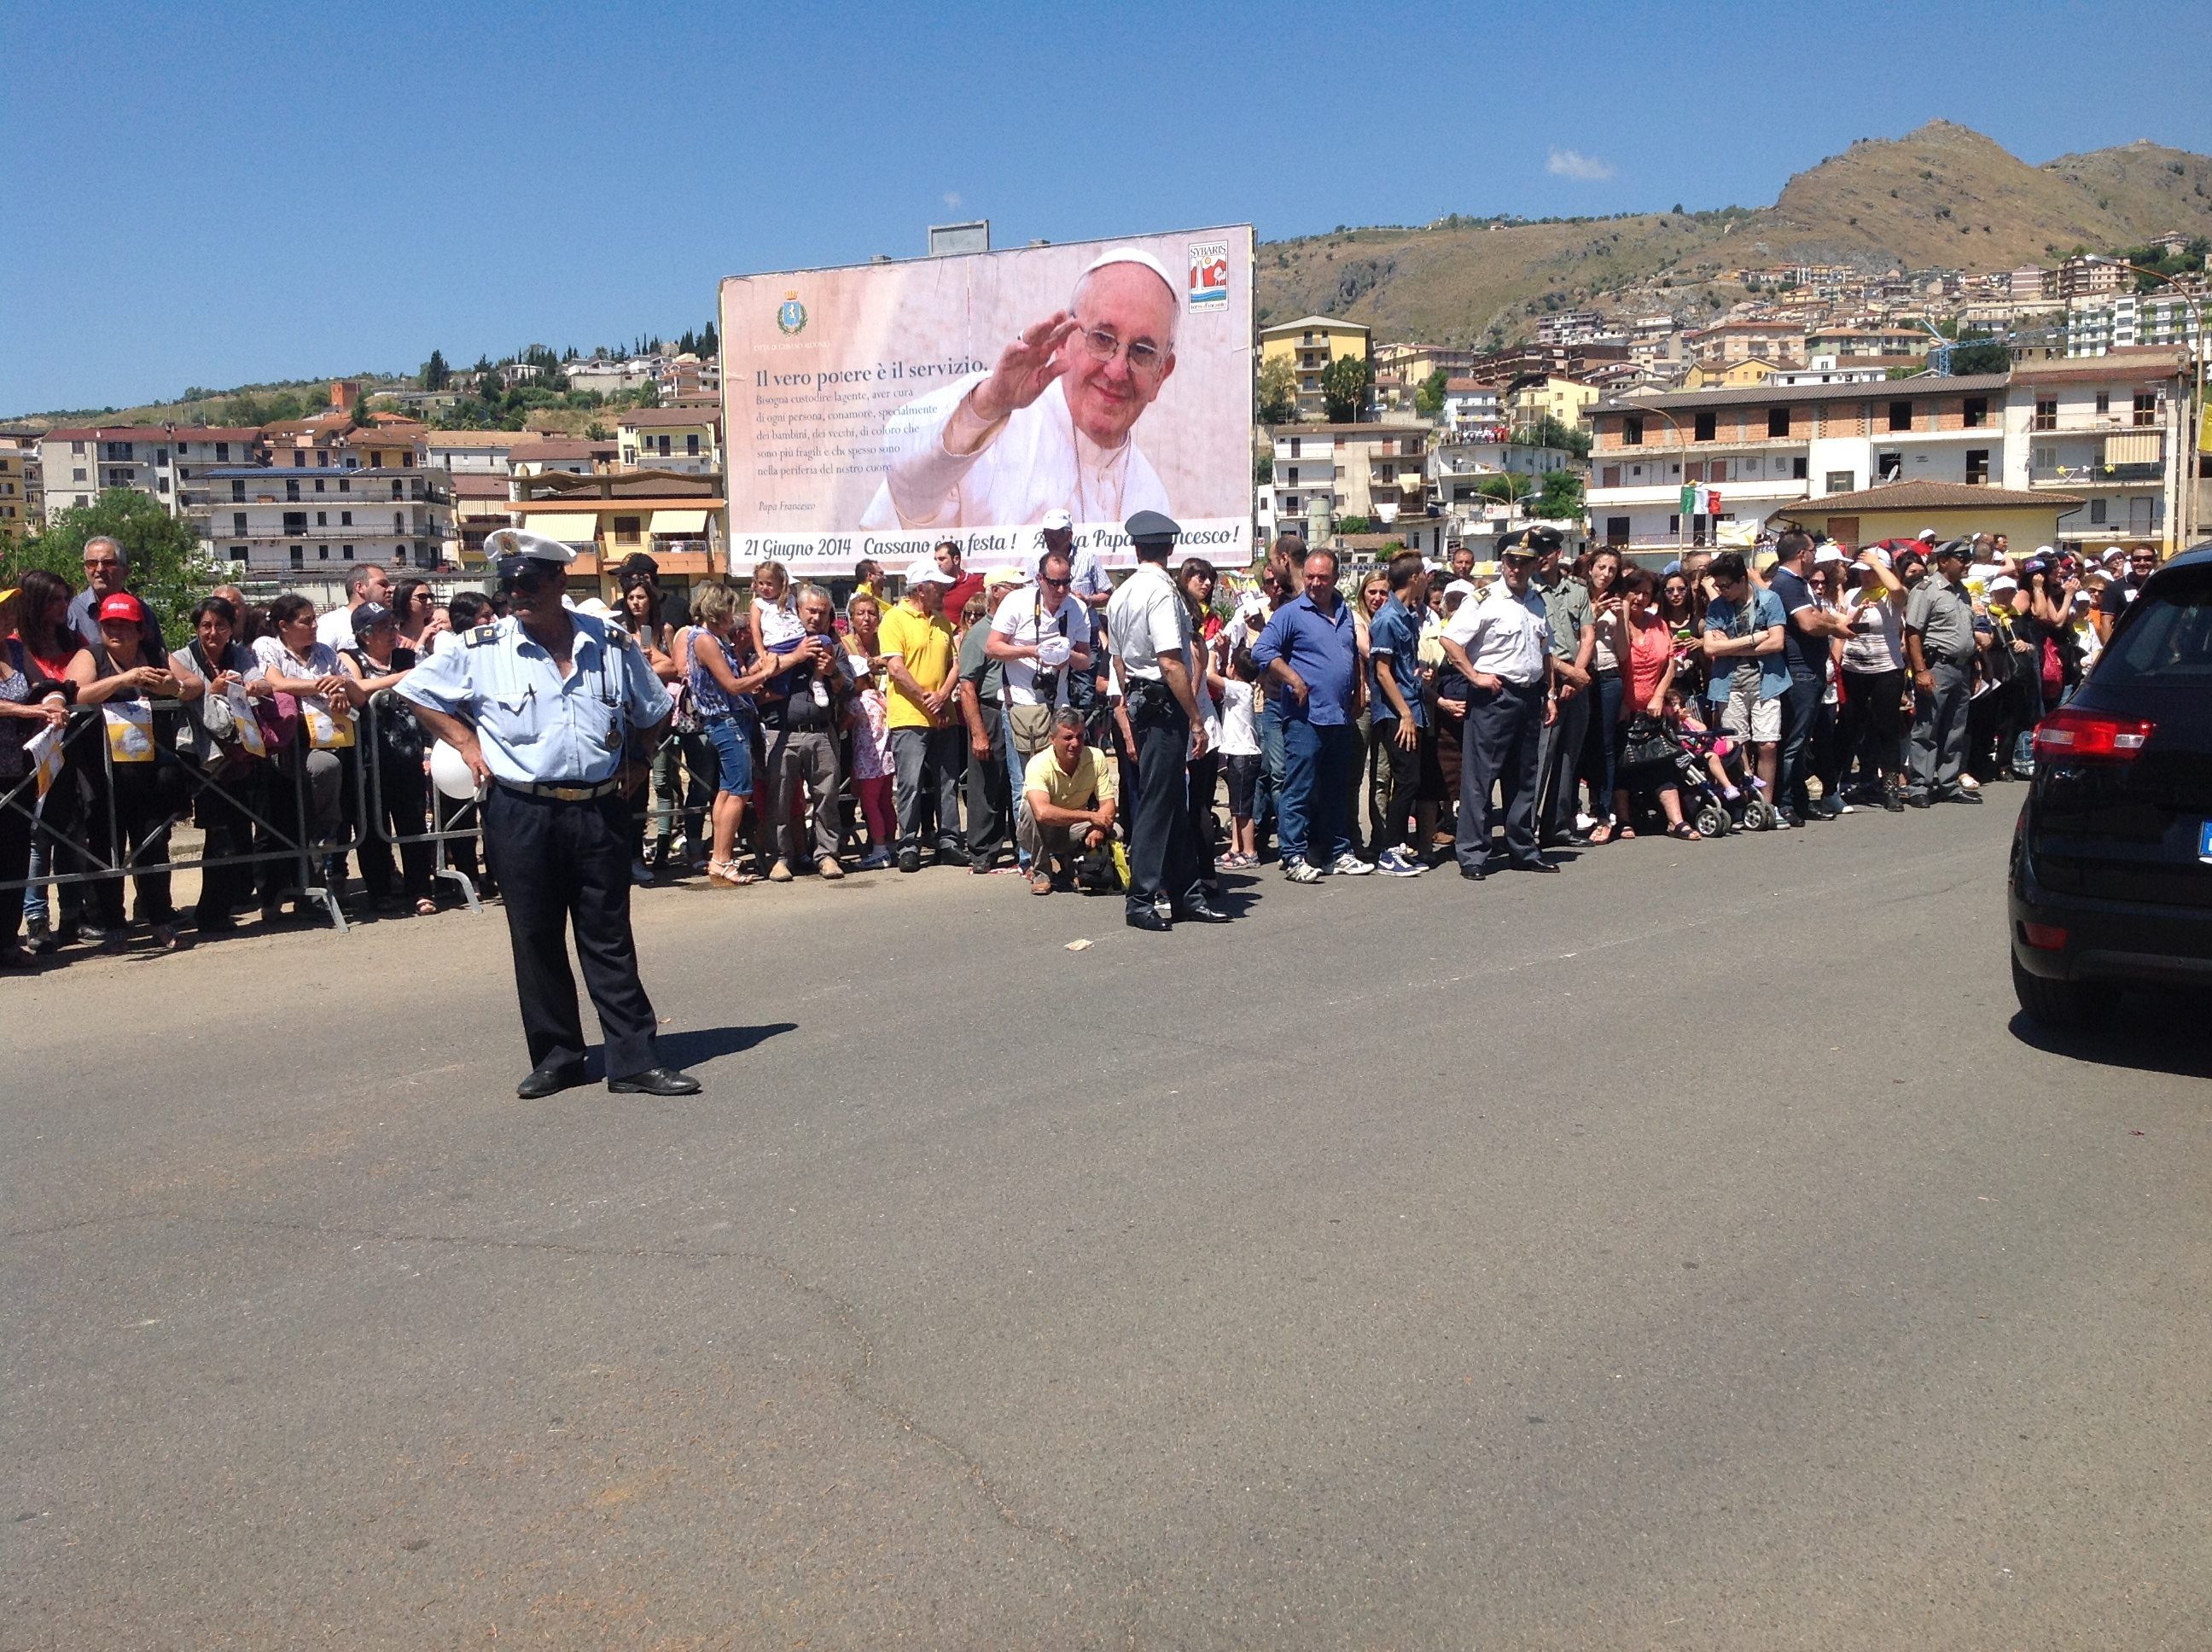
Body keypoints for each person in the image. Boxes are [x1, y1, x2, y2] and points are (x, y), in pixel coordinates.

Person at [396, 529, 698, 1100]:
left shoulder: (609, 642)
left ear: (561, 581)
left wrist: (638, 758)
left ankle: (633, 1058)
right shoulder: (482, 647)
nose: (517, 594)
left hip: (597, 807)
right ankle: (558, 1056)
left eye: (529, 582)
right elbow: (416, 691)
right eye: (508, 584)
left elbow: (654, 707)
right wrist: (463, 742)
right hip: (521, 809)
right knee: (535, 936)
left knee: (608, 936)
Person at [861, 248, 1179, 531]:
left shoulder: (1151, 496)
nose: (1116, 370)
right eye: (1102, 338)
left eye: (1142, 352)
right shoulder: (989, 414)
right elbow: (904, 477)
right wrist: (990, 403)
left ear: (1161, 376)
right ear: (1065, 340)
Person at [1104, 510, 1226, 929]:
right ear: (1170, 548)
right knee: (1159, 801)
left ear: (1136, 547)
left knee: (1173, 798)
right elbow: (1171, 661)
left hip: (1142, 699)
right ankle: (1140, 898)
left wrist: (1131, 707)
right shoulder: (1162, 593)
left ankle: (1186, 894)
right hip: (1163, 701)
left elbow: (1119, 663)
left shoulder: (1121, 594)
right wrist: (1195, 718)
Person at [67, 592, 192, 950]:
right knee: (105, 847)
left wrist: (173, 686)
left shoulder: (154, 656)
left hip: (149, 770)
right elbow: (75, 692)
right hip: (100, 771)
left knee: (153, 846)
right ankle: (112, 922)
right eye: (109, 625)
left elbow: (192, 684)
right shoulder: (90, 655)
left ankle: (160, 919)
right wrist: (122, 681)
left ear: (140, 630)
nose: (116, 631)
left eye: (124, 625)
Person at [1439, 534, 1556, 880]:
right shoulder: (1483, 599)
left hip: (1530, 695)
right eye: (1511, 561)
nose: (1517, 568)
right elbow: (1450, 640)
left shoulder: (1537, 601)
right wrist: (1475, 677)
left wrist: (1549, 694)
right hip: (1494, 695)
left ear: (1535, 565)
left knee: (1524, 777)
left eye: (1524, 562)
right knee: (1480, 778)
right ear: (1502, 563)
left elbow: (1545, 651)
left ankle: (1522, 847)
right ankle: (1474, 853)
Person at [166, 593, 278, 934]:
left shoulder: (240, 654)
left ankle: (217, 909)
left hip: (236, 754)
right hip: (197, 754)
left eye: (221, 626)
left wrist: (251, 684)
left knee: (233, 833)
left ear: (231, 629)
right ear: (197, 628)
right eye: (206, 625)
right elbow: (186, 692)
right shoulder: (180, 657)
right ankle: (209, 913)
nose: (213, 632)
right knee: (218, 833)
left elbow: (260, 680)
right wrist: (212, 691)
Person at [1253, 546, 1365, 885]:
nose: (1316, 583)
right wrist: (1293, 679)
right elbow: (1262, 650)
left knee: (1335, 789)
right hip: (1305, 718)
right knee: (1298, 787)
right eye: (1311, 577)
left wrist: (1358, 688)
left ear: (1335, 579)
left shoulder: (1344, 610)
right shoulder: (1292, 613)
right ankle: (1293, 856)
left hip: (1338, 716)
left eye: (1323, 578)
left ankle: (1338, 851)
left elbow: (1350, 654)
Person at [253, 592, 369, 903]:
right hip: (286, 742)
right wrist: (323, 684)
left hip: (329, 737)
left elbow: (352, 690)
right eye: (306, 621)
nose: (315, 626)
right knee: (316, 777)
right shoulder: (267, 646)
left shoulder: (325, 653)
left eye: (315, 619)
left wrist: (341, 689)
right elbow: (275, 683)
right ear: (284, 625)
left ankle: (324, 839)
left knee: (328, 770)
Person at [989, 542, 1096, 865]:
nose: (1061, 589)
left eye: (1067, 582)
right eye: (1054, 582)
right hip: (1020, 705)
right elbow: (993, 648)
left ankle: (1056, 851)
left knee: (1056, 783)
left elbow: (1085, 660)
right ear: (1040, 579)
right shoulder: (1017, 602)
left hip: (1057, 707)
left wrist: (1065, 656)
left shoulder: (1076, 609)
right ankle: (1030, 857)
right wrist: (1034, 651)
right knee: (1024, 783)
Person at [339, 602, 439, 916]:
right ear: (365, 635)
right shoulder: (349, 657)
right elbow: (355, 689)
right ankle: (379, 892)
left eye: (393, 625)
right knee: (371, 828)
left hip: (407, 754)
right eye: (384, 627)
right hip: (369, 757)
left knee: (412, 824)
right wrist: (401, 679)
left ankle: (420, 889)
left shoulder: (406, 656)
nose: (393, 632)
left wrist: (405, 673)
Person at [0, 586, 73, 968]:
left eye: (10, 610)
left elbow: (43, 684)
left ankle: (7, 941)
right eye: (1, 612)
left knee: (14, 853)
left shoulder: (14, 650)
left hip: (18, 770)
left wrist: (54, 703)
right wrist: (27, 713)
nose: (9, 617)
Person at [756, 583, 847, 881]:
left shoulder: (833, 642)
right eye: (811, 611)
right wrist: (795, 656)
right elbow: (758, 678)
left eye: (823, 612)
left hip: (822, 731)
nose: (816, 618)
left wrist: (833, 670)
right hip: (782, 732)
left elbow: (849, 688)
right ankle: (780, 858)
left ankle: (827, 855)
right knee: (779, 800)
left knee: (827, 797)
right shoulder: (777, 638)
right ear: (798, 610)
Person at [879, 555, 963, 872]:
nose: (943, 591)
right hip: (909, 716)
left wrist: (942, 696)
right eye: (938, 586)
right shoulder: (894, 619)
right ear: (922, 588)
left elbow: (955, 664)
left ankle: (949, 841)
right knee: (910, 783)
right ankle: (909, 844)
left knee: (947, 781)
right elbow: (896, 668)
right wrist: (926, 697)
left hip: (944, 715)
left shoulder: (942, 621)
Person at [1767, 530, 1851, 827]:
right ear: (1802, 554)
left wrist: (1830, 621)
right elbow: (1808, 622)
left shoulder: (1797, 584)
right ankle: (1787, 802)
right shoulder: (1786, 583)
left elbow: (1818, 615)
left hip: (1809, 671)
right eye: (1813, 550)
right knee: (1794, 741)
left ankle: (1800, 801)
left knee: (1801, 743)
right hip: (1799, 671)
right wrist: (1837, 628)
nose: (1815, 555)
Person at [684, 583, 765, 887]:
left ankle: (721, 855)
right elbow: (732, 685)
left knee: (727, 789)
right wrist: (766, 672)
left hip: (727, 720)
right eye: (730, 610)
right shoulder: (704, 639)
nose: (734, 616)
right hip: (726, 720)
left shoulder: (713, 638)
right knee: (740, 790)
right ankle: (722, 859)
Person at [1697, 551, 1786, 827]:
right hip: (1729, 684)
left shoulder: (1769, 601)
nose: (1721, 592)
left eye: (1725, 586)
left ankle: (1766, 805)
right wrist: (1754, 638)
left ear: (1741, 580)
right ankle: (1744, 804)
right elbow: (1711, 647)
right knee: (1735, 747)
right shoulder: (1717, 608)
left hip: (1766, 680)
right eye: (1717, 587)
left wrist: (1731, 646)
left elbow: (1777, 643)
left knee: (1768, 743)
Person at [1608, 568, 1696, 841]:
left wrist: (1659, 695)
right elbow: (1617, 660)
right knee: (1624, 767)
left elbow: (1670, 661)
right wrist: (1623, 612)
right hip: (1623, 706)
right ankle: (1623, 820)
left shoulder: (1658, 623)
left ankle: (1676, 821)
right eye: (1635, 591)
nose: (1641, 598)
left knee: (1662, 764)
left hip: (1654, 706)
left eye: (1647, 593)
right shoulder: (1614, 622)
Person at [1364, 550, 1430, 876]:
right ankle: (1389, 851)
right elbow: (1382, 672)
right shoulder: (1388, 618)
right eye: (1425, 574)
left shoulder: (1406, 614)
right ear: (1415, 578)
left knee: (1411, 780)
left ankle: (1398, 846)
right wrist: (1404, 713)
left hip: (1412, 708)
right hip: (1396, 713)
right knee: (1405, 781)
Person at [1902, 537, 1982, 808]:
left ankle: (1948, 782)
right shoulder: (1926, 589)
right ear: (1944, 561)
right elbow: (1913, 632)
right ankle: (1919, 785)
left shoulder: (1963, 591)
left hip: (1961, 667)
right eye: (1962, 559)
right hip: (1936, 666)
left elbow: (1967, 632)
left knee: (1954, 729)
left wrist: (1976, 667)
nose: (1966, 564)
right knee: (1928, 727)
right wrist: (1921, 670)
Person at [955, 566, 1022, 873]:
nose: (1020, 591)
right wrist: (978, 733)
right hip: (989, 711)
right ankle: (982, 851)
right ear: (995, 591)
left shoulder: (1017, 630)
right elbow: (967, 687)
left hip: (1016, 710)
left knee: (1015, 781)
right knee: (986, 784)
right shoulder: (979, 634)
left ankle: (1022, 844)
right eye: (1013, 586)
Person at [1530, 527, 1594, 848]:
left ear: (1558, 553)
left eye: (1546, 551)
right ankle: (1525, 829)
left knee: (1569, 757)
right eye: (1535, 551)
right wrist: (1571, 674)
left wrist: (1578, 675)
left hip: (1575, 684)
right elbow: (1537, 644)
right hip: (1545, 681)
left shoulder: (1577, 590)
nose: (1541, 557)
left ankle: (1557, 826)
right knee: (1540, 759)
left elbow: (1588, 634)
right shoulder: (1528, 590)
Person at [1018, 706, 1119, 897]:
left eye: (1080, 737)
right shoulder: (1038, 764)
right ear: (1052, 739)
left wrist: (1098, 827)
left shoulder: (1096, 757)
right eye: (1067, 738)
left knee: (1115, 829)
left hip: (1072, 827)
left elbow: (1108, 805)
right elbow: (1041, 812)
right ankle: (1041, 872)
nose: (1075, 743)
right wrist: (1090, 815)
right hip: (1040, 830)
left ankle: (1075, 864)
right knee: (1032, 810)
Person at [1837, 548, 1908, 811]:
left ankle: (1890, 788)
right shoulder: (1853, 595)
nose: (1864, 577)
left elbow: (1898, 588)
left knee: (1887, 728)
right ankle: (1837, 784)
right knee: (1848, 727)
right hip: (1853, 668)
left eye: (1870, 573)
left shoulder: (1892, 597)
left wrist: (1877, 564)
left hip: (1886, 670)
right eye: (1861, 573)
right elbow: (1841, 629)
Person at [839, 592, 897, 870]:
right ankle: (886, 843)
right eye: (860, 613)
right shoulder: (845, 645)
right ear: (851, 618)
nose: (866, 618)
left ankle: (881, 846)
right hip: (877, 751)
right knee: (882, 800)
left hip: (872, 751)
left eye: (871, 613)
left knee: (873, 802)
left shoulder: (860, 700)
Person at [1577, 546, 1625, 838]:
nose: (1606, 575)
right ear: (1590, 568)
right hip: (1582, 675)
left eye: (1612, 570)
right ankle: (1572, 811)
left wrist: (1618, 621)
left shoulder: (1620, 603)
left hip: (1608, 675)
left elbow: (1623, 653)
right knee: (1578, 746)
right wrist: (1592, 615)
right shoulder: (1578, 597)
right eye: (1602, 568)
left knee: (1606, 746)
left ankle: (1605, 814)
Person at [67, 538, 167, 660]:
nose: (99, 569)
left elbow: (159, 655)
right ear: (85, 570)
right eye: (92, 563)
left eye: (108, 563)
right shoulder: (72, 610)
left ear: (125, 571)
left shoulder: (141, 610)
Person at [1216, 644, 1262, 868]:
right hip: (1237, 753)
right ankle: (1236, 847)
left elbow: (1208, 676)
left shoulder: (1241, 688)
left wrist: (1214, 653)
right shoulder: (1240, 687)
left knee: (1243, 807)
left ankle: (1250, 851)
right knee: (1236, 805)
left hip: (1245, 755)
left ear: (1234, 668)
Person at [315, 562, 395, 651]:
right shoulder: (330, 622)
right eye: (383, 584)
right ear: (360, 587)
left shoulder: (391, 621)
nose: (390, 590)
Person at [393, 578, 440, 650]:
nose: (429, 601)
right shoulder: (394, 640)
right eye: (422, 597)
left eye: (430, 597)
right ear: (405, 601)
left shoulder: (437, 633)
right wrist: (423, 638)